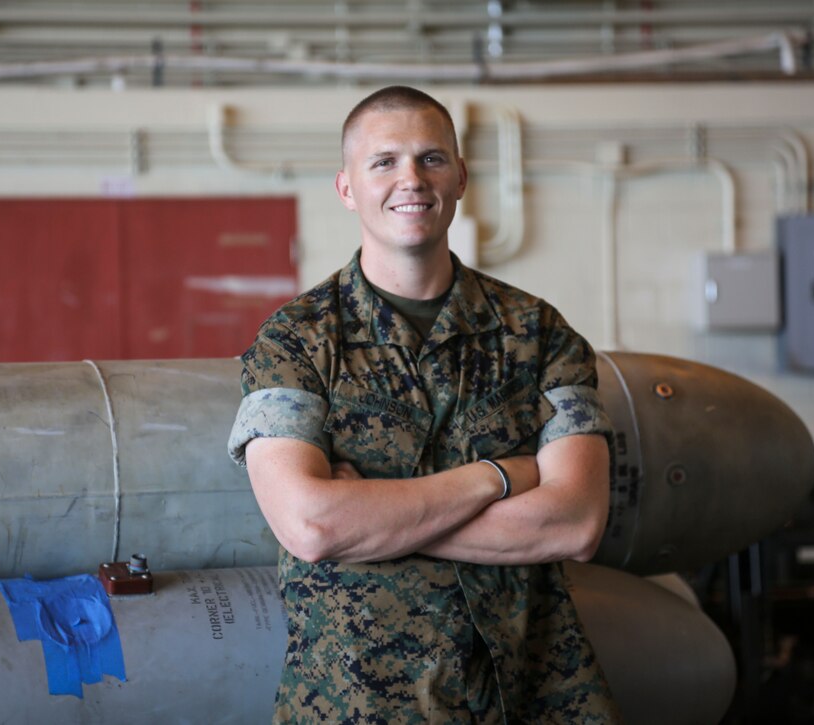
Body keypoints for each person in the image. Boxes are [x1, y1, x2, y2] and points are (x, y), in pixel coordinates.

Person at [228, 85, 620, 723]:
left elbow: (574, 523)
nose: (410, 178)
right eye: (384, 161)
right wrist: (499, 477)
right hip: (359, 701)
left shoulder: (539, 333)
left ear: (460, 177)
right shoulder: (294, 342)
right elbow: (313, 527)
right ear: (347, 187)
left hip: (529, 696)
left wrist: (376, 520)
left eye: (430, 158)